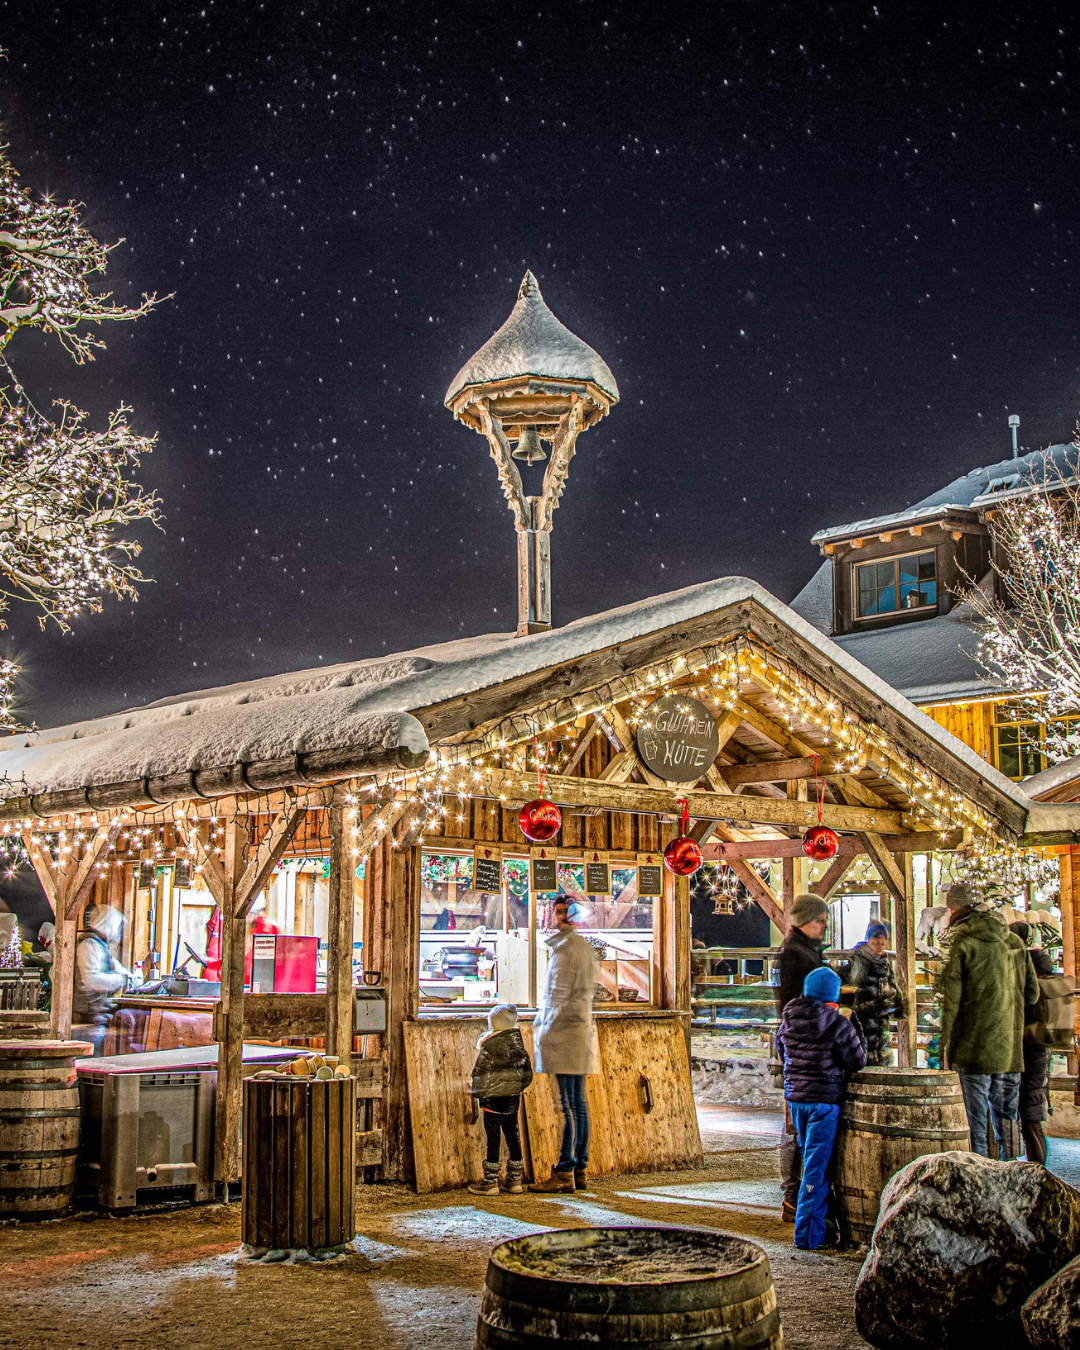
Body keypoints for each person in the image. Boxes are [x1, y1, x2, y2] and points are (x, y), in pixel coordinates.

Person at [940, 883, 1039, 1158]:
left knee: (976, 1125)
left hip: (973, 1049)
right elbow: (1032, 995)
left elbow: (950, 1003)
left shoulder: (961, 942)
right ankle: (1011, 1169)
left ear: (954, 910)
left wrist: (943, 1046)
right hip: (1010, 1049)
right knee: (1008, 1118)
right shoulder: (1015, 943)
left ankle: (981, 1173)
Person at [776, 966, 867, 1249]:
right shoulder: (837, 1023)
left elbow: (781, 1051)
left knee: (810, 1161)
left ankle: (821, 1228)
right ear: (832, 996)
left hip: (797, 1100)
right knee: (816, 1169)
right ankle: (808, 1236)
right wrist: (857, 1028)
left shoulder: (789, 1018)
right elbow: (857, 1060)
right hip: (824, 1102)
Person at [529, 897, 599, 1194]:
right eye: (557, 912)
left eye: (563, 912)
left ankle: (565, 1170)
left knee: (568, 1105)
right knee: (578, 1104)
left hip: (564, 1032)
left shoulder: (566, 949)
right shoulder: (582, 948)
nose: (559, 917)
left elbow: (556, 995)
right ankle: (580, 1169)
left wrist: (543, 1028)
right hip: (578, 1031)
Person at [775, 893, 829, 1223]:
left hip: (804, 1049)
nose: (823, 926)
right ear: (806, 921)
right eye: (819, 921)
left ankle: (798, 1193)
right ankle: (794, 1194)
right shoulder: (796, 955)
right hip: (805, 1049)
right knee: (799, 1129)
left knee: (802, 1127)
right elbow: (796, 1004)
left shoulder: (808, 951)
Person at [468, 1003, 534, 1195]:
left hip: (492, 1102)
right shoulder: (520, 1049)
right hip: (512, 1102)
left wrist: (478, 1094)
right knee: (513, 1137)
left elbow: (480, 1075)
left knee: (493, 1140)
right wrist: (514, 1089)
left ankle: (490, 1182)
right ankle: (515, 1180)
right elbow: (527, 1077)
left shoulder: (488, 1048)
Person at [1010, 920, 1055, 1165]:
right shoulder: (1045, 971)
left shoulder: (1028, 974)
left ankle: (1037, 1171)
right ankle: (1038, 1168)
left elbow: (1025, 1011)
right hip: (1041, 1047)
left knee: (1029, 1118)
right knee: (1032, 1116)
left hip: (1030, 1048)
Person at [71, 904, 132, 1055]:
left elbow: (120, 970)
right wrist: (119, 980)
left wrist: (130, 977)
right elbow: (90, 978)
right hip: (86, 1021)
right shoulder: (89, 944)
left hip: (94, 1019)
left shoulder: (99, 945)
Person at [850, 922, 904, 1067]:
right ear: (868, 941)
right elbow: (852, 998)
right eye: (875, 943)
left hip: (881, 1027)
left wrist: (892, 995)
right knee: (866, 1063)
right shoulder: (859, 965)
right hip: (864, 1026)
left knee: (881, 1063)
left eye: (882, 944)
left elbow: (896, 992)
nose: (879, 948)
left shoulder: (884, 964)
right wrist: (878, 1004)